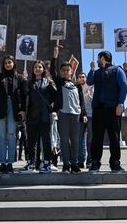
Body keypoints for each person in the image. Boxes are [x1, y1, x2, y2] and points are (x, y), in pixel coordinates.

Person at [86, 50, 127, 173]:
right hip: (98, 109)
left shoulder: (117, 70)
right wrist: (92, 69)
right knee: (96, 137)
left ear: (103, 58)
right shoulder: (97, 72)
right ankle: (95, 162)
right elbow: (89, 82)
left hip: (113, 108)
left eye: (98, 58)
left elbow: (123, 86)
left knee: (114, 137)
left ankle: (115, 162)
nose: (97, 61)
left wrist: (121, 103)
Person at [50, 45, 86, 173]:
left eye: (68, 70)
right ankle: (66, 164)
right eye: (63, 70)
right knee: (64, 140)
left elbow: (81, 101)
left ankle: (74, 164)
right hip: (63, 114)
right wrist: (55, 55)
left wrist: (84, 114)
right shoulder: (59, 83)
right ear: (61, 72)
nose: (66, 72)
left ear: (72, 71)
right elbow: (52, 71)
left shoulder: (77, 85)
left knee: (76, 141)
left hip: (76, 115)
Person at [20, 59, 56, 173]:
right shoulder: (29, 82)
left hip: (45, 115)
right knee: (32, 141)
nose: (37, 69)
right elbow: (24, 97)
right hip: (32, 115)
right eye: (35, 67)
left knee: (46, 140)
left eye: (40, 67)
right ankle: (31, 163)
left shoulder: (49, 82)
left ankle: (47, 163)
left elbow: (56, 96)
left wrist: (52, 82)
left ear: (44, 69)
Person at [0, 55, 26, 173]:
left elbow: (23, 94)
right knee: (1, 136)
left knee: (11, 135)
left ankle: (10, 162)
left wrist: (23, 110)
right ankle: (2, 162)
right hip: (1, 107)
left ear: (14, 64)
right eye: (6, 62)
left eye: (10, 62)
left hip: (14, 107)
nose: (8, 64)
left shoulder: (20, 78)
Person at [77, 72, 93, 168]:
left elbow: (95, 101)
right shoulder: (75, 88)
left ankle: (89, 160)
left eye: (83, 77)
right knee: (79, 139)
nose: (81, 78)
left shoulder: (91, 87)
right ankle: (81, 160)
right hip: (80, 116)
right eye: (79, 77)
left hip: (91, 115)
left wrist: (89, 96)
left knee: (90, 139)